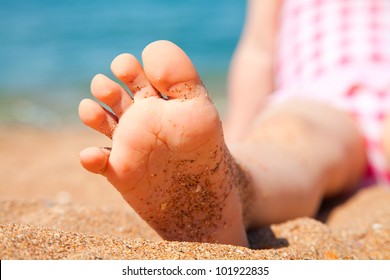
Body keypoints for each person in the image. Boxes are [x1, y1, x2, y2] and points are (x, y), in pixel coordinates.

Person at [78, 0, 390, 247]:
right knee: (288, 139)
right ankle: (224, 185)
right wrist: (234, 145)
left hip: (326, 100)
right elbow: (259, 51)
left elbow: (258, 52)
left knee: (293, 139)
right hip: (320, 99)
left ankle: (221, 184)